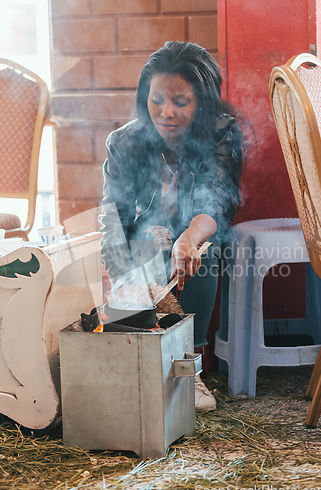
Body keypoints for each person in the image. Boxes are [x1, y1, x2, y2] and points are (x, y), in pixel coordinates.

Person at [100, 41, 245, 411]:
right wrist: (121, 278)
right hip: (145, 244)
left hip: (195, 237)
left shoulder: (220, 135)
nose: (165, 113)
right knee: (140, 244)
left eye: (181, 102)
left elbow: (213, 203)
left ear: (202, 103)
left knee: (201, 251)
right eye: (156, 100)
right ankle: (136, 358)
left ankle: (190, 370)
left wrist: (188, 238)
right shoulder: (125, 142)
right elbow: (114, 218)